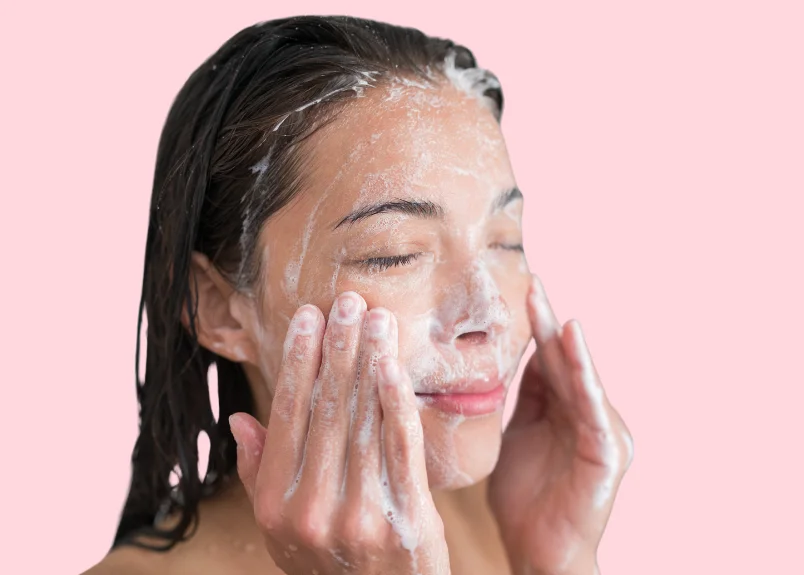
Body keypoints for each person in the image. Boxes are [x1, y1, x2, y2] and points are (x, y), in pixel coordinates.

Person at [85, 15, 633, 575]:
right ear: (220, 307)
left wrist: (558, 560)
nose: (490, 313)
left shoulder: (505, 515)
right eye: (395, 254)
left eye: (505, 241)